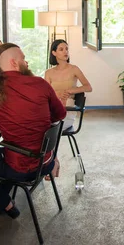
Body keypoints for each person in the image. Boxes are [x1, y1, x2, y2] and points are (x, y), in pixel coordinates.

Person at [0, 43, 66, 218]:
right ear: (14, 63)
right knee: (5, 154)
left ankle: (4, 203)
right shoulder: (40, 83)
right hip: (46, 161)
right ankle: (1, 199)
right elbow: (60, 114)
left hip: (20, 167)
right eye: (23, 58)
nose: (27, 62)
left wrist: (1, 120)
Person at [43, 39, 92, 179]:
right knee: (41, 125)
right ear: (54, 53)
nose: (65, 52)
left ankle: (50, 162)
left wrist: (71, 90)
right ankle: (54, 160)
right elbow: (45, 94)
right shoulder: (49, 73)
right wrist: (56, 94)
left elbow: (88, 87)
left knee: (48, 127)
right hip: (52, 109)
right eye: (61, 49)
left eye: (66, 48)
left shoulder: (74, 69)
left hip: (68, 110)